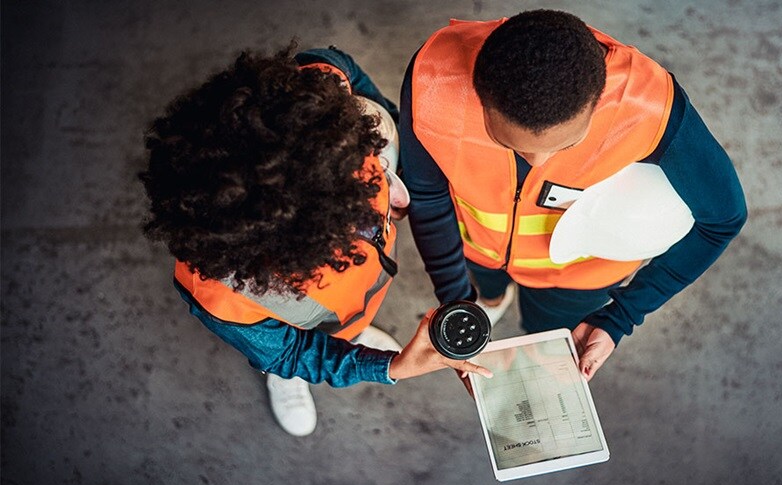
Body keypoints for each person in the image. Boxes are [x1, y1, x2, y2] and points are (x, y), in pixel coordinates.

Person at [140, 45, 491, 437]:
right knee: (287, 354)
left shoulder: (331, 123)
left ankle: (353, 334)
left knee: (349, 327)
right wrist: (385, 366)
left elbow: (341, 72)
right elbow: (289, 350)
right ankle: (285, 379)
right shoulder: (220, 295)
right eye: (355, 223)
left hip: (356, 300)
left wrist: (379, 130)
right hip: (303, 328)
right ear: (298, 252)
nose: (395, 200)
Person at [399, 10, 747, 381]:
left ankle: (506, 307)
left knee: (544, 334)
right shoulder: (434, 82)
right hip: (477, 248)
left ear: (599, 102)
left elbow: (722, 220)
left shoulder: (647, 106)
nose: (538, 162)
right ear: (480, 97)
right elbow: (428, 196)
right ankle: (491, 298)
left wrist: (620, 316)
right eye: (507, 142)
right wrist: (456, 302)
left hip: (575, 280)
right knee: (486, 289)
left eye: (567, 144)